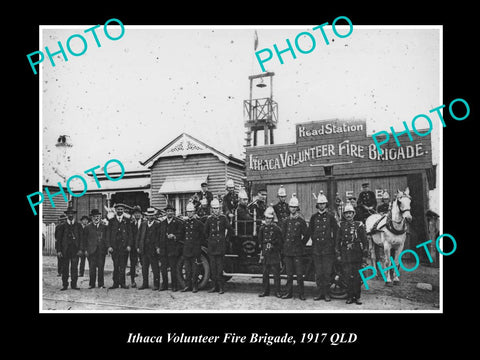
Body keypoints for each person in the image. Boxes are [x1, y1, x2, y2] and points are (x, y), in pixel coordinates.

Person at [335, 202, 368, 305]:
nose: (348, 215)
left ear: (353, 214)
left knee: (358, 277)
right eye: (346, 213)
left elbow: (365, 242)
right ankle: (349, 297)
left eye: (350, 213)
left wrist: (364, 256)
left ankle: (357, 297)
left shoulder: (359, 225)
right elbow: (337, 242)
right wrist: (339, 255)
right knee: (347, 276)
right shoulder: (341, 226)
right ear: (344, 215)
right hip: (346, 255)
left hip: (357, 254)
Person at [309, 191, 338, 301]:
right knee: (319, 273)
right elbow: (310, 231)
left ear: (326, 205)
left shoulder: (330, 217)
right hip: (317, 249)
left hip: (327, 249)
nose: (321, 206)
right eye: (320, 204)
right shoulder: (313, 217)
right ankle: (319, 293)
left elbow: (336, 232)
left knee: (327, 273)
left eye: (323, 204)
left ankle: (326, 293)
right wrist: (314, 240)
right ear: (317, 205)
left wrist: (334, 245)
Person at [281, 194, 309, 300]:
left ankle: (301, 294)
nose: (293, 209)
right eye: (291, 207)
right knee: (289, 275)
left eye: (295, 207)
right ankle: (289, 293)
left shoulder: (301, 221)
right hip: (288, 251)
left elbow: (306, 234)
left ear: (297, 208)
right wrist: (285, 245)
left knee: (299, 274)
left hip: (298, 251)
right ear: (289, 208)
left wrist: (301, 244)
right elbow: (283, 235)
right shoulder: (286, 221)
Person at [204, 197, 233, 294]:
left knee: (220, 269)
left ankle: (221, 287)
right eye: (214, 209)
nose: (216, 211)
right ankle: (214, 287)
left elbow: (230, 229)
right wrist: (209, 241)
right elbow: (205, 232)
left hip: (220, 247)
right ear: (212, 210)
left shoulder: (223, 219)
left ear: (219, 209)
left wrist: (225, 240)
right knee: (213, 268)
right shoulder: (209, 220)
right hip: (212, 248)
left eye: (217, 209)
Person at [106, 203, 133, 289]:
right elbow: (108, 235)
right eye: (118, 209)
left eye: (121, 209)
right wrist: (109, 246)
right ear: (115, 210)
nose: (120, 211)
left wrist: (129, 245)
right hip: (114, 248)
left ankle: (123, 283)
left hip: (124, 248)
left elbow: (130, 234)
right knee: (116, 266)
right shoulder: (111, 221)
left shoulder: (127, 221)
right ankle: (115, 283)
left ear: (124, 211)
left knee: (123, 266)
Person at [258, 206, 283, 298]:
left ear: (272, 219)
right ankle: (265, 291)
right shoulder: (262, 229)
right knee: (265, 274)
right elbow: (260, 241)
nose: (268, 220)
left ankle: (277, 291)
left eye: (269, 218)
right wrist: (262, 251)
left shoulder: (276, 229)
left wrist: (273, 246)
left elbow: (280, 242)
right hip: (265, 254)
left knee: (276, 274)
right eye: (266, 218)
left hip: (274, 254)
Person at [158, 204, 184, 292]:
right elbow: (159, 236)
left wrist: (174, 236)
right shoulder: (162, 223)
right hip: (163, 249)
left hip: (173, 249)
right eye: (168, 211)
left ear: (174, 212)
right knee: (163, 268)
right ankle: (164, 285)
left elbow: (181, 235)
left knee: (173, 268)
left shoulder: (178, 223)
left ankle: (174, 285)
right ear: (166, 212)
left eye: (171, 211)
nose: (169, 213)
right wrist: (158, 247)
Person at [57, 206, 84, 290]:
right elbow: (58, 240)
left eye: (72, 213)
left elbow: (81, 239)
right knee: (65, 268)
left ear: (74, 215)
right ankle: (65, 285)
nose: (70, 215)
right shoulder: (62, 226)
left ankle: (74, 285)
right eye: (69, 213)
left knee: (74, 268)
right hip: (65, 250)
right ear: (66, 215)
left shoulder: (78, 226)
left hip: (75, 250)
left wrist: (80, 249)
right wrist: (59, 251)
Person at [181, 202, 205, 293]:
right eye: (188, 212)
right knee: (187, 269)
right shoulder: (185, 223)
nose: (189, 213)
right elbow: (182, 235)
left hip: (195, 250)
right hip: (187, 249)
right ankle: (188, 285)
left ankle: (195, 286)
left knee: (195, 269)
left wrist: (198, 244)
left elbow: (203, 235)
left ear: (194, 212)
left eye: (191, 212)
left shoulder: (198, 223)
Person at [136, 208, 161, 290]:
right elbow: (139, 236)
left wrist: (158, 247)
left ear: (154, 216)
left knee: (155, 268)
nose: (150, 217)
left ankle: (156, 284)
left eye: (152, 215)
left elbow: (159, 237)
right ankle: (145, 284)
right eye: (149, 216)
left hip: (153, 249)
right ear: (146, 216)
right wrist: (138, 247)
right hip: (144, 249)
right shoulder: (143, 224)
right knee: (144, 268)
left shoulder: (157, 224)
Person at [83, 209, 108, 289]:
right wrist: (86, 250)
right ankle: (92, 284)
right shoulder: (87, 227)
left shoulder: (104, 227)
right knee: (92, 268)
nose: (96, 218)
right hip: (91, 251)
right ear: (92, 217)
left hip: (101, 251)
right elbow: (84, 240)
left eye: (98, 216)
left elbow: (106, 239)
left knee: (101, 268)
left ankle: (101, 284)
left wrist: (106, 249)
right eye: (94, 216)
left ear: (100, 217)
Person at [128, 205, 143, 288]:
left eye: (138, 213)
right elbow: (130, 235)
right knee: (133, 264)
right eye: (135, 213)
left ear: (141, 214)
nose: (137, 215)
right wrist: (130, 245)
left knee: (144, 264)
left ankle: (145, 282)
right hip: (133, 247)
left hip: (142, 247)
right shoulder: (131, 224)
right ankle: (132, 281)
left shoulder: (144, 223)